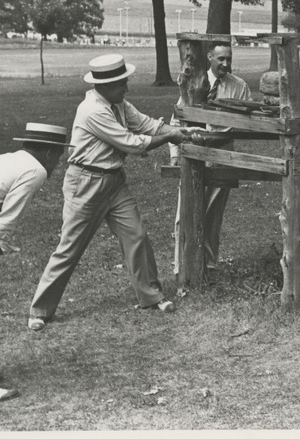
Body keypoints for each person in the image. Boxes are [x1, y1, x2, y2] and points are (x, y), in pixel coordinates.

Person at [28, 54, 195, 330]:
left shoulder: (118, 102)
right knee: (69, 247)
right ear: (103, 85)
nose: (126, 88)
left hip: (114, 182)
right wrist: (169, 137)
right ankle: (40, 310)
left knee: (137, 236)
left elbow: (146, 124)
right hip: (86, 183)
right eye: (121, 84)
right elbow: (132, 142)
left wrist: (178, 130)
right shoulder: (93, 110)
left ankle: (151, 296)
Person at [0, 123, 71, 402]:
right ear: (47, 152)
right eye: (58, 156)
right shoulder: (35, 170)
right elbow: (3, 226)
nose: (58, 164)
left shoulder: (12, 160)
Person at [170, 41, 252, 273]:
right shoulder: (194, 82)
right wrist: (176, 154)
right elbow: (176, 120)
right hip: (193, 152)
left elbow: (247, 121)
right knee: (184, 211)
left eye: (229, 58)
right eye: (221, 59)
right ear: (209, 58)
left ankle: (208, 265)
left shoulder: (239, 86)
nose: (225, 63)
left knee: (212, 214)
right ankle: (182, 266)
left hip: (222, 152)